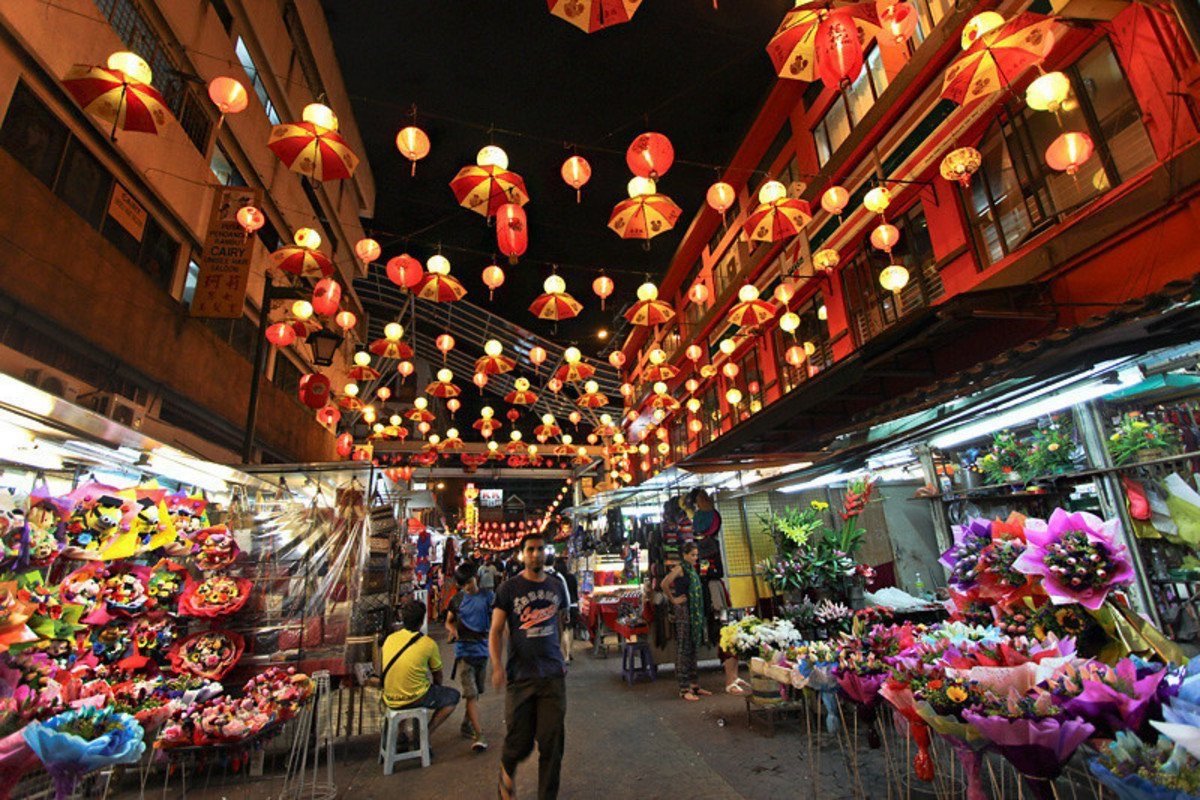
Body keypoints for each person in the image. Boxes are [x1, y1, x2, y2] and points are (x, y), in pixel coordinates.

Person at [490, 532, 569, 800]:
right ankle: (506, 768)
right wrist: (497, 666)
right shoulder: (509, 589)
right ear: (523, 554)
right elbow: (495, 630)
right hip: (520, 677)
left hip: (552, 677)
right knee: (519, 742)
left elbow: (558, 621)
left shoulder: (557, 586)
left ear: (547, 552)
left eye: (540, 549)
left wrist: (561, 655)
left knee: (552, 743)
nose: (536, 554)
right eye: (531, 549)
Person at [380, 599, 460, 747]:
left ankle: (399, 735)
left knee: (406, 683)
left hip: (388, 698)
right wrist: (436, 690)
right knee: (453, 696)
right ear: (422, 620)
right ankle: (425, 734)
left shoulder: (390, 639)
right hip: (415, 697)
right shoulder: (428, 644)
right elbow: (438, 675)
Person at [446, 562, 494, 752]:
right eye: (464, 584)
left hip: (482, 651)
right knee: (472, 694)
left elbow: (497, 619)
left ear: (476, 577)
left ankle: (466, 723)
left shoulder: (489, 597)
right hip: (464, 653)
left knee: (477, 692)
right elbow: (448, 621)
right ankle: (479, 734)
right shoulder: (457, 600)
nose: (468, 586)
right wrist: (453, 631)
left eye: (470, 581)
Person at [662, 542, 710, 702]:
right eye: (692, 555)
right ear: (684, 555)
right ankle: (684, 688)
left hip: (693, 614)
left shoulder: (692, 570)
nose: (695, 558)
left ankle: (694, 684)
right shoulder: (680, 569)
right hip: (684, 612)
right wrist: (673, 600)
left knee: (693, 647)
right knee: (684, 648)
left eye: (696, 555)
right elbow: (664, 583)